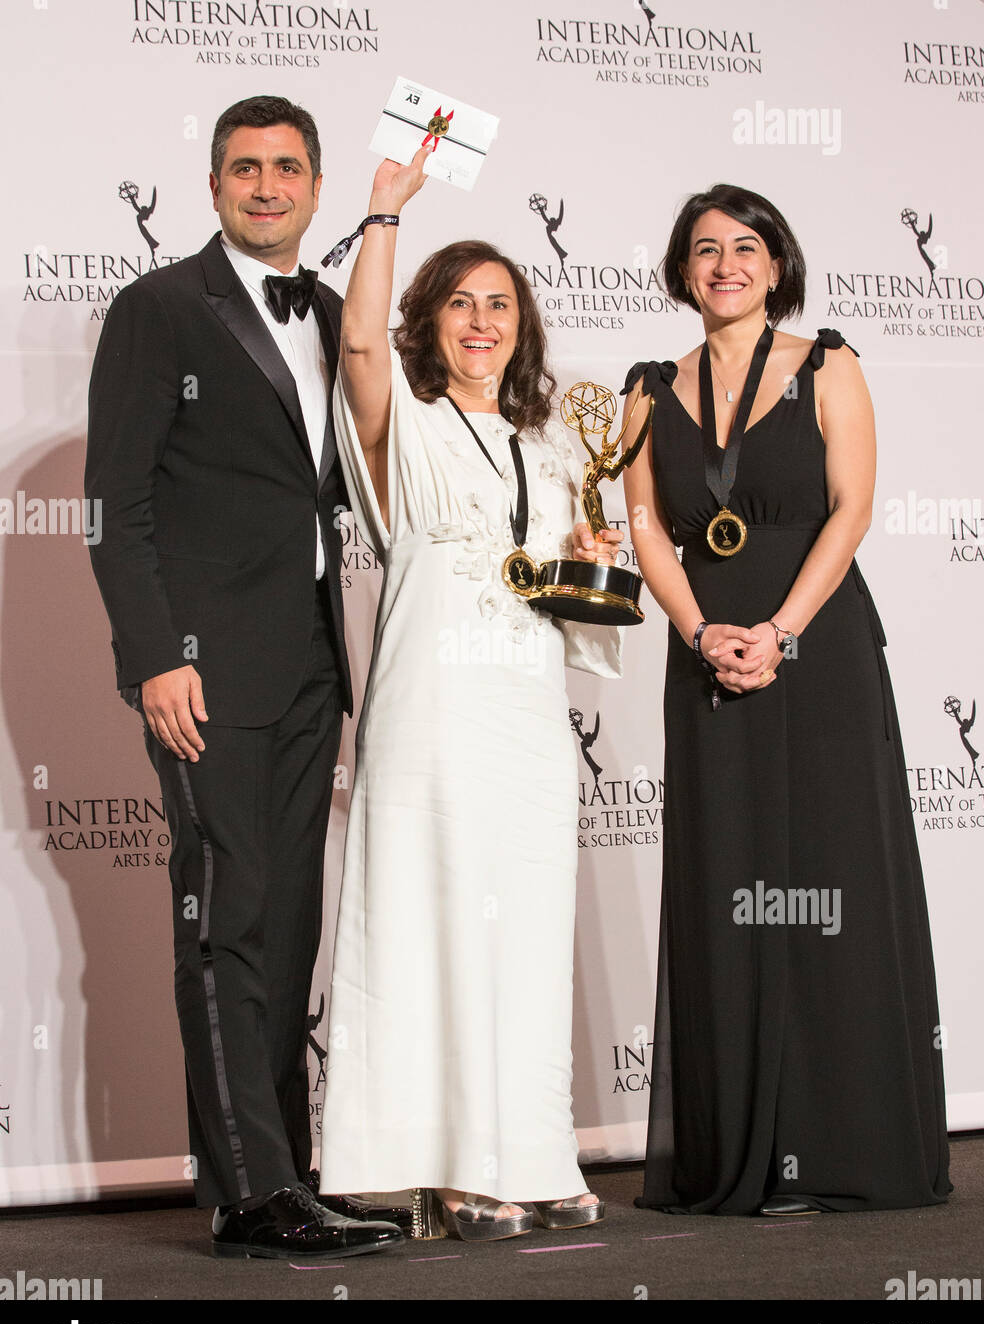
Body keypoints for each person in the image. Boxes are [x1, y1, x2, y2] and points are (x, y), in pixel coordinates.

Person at [84, 94, 402, 1260]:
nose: (265, 187)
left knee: (289, 929)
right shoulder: (159, 308)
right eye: (242, 169)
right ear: (213, 184)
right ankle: (250, 1192)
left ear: (316, 187)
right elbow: (115, 505)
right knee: (227, 923)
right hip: (205, 675)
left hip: (313, 666)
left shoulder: (328, 309)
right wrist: (154, 658)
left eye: (285, 169)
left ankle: (286, 1176)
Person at [621, 184, 951, 1216]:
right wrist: (697, 630)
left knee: (830, 885)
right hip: (705, 651)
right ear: (682, 270)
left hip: (819, 649)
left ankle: (835, 1146)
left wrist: (781, 631)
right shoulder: (645, 388)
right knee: (730, 888)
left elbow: (851, 509)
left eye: (747, 247)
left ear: (777, 264)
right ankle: (741, 1156)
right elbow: (641, 524)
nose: (727, 263)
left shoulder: (828, 366)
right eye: (706, 248)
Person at [317, 148, 625, 1240]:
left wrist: (592, 554)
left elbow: (579, 613)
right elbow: (356, 342)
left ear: (523, 327)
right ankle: (442, 1168)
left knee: (528, 935)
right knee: (430, 928)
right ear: (430, 323)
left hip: (529, 725)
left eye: (501, 304)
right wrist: (384, 211)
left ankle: (530, 1154)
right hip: (433, 718)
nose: (482, 321)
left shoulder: (548, 451)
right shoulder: (403, 422)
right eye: (461, 303)